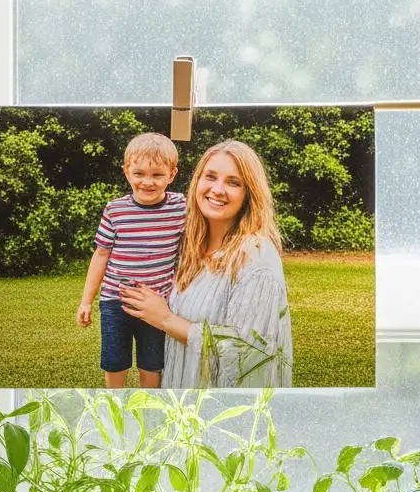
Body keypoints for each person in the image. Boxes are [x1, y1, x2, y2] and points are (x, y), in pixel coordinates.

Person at [122, 139, 292, 389]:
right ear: (197, 182)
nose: (218, 189)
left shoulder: (256, 258)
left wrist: (166, 319)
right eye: (210, 177)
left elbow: (249, 352)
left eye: (233, 182)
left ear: (249, 194)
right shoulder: (188, 248)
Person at [76, 132, 187, 388]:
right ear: (127, 172)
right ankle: (115, 409)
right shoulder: (115, 210)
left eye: (157, 175)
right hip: (116, 303)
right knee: (115, 363)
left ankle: (150, 411)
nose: (147, 182)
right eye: (139, 174)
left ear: (171, 175)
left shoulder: (180, 207)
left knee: (152, 363)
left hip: (156, 303)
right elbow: (101, 254)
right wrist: (86, 301)